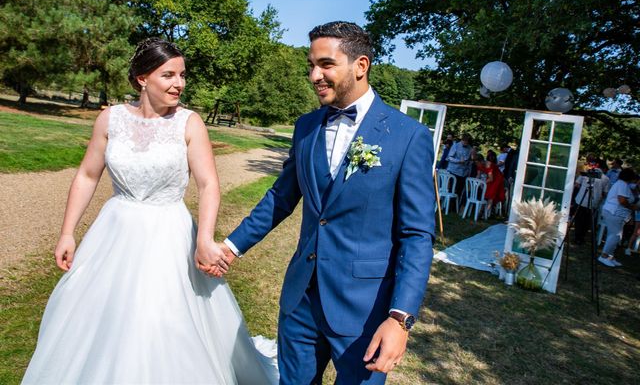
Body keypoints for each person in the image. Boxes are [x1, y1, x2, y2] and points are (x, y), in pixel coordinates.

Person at [22, 38, 277, 384]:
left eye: (182, 75)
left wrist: (204, 238)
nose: (179, 84)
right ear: (142, 79)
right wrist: (67, 232)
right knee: (100, 316)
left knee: (159, 318)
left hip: (168, 234)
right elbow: (86, 175)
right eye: (168, 75)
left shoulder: (189, 123)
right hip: (114, 230)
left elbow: (208, 185)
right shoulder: (110, 119)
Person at [218, 21, 435, 384]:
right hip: (300, 300)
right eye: (310, 65)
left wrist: (400, 319)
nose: (314, 75)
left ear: (360, 66)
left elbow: (416, 235)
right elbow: (281, 197)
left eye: (325, 65)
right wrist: (230, 247)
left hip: (365, 310)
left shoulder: (408, 136)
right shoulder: (306, 127)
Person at [599, 168, 639, 267]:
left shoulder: (622, 184)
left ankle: (610, 257)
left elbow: (631, 191)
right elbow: (622, 200)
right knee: (615, 236)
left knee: (615, 236)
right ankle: (603, 256)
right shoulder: (622, 185)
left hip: (615, 213)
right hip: (614, 213)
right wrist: (632, 207)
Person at [572, 155, 607, 244]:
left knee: (579, 220)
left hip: (581, 200)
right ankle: (582, 237)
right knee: (587, 221)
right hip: (593, 202)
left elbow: (577, 184)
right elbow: (605, 193)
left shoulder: (587, 173)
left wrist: (582, 188)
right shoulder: (606, 178)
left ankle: (577, 237)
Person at [447, 133, 473, 199]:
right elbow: (449, 157)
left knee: (459, 191)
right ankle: (448, 206)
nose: (466, 144)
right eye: (465, 142)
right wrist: (458, 161)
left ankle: (455, 207)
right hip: (454, 171)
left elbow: (469, 161)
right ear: (462, 140)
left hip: (463, 173)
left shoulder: (470, 148)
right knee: (452, 190)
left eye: (467, 142)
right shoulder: (455, 146)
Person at [484, 150, 505, 217]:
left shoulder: (488, 164)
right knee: (490, 196)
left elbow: (491, 177)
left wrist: (484, 182)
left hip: (496, 180)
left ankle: (486, 213)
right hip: (496, 179)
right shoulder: (491, 164)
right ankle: (487, 213)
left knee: (491, 196)